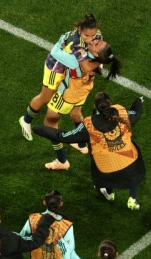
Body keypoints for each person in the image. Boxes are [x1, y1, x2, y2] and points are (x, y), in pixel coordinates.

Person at [33, 92, 145, 210]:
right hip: (130, 161)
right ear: (110, 104)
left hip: (105, 166)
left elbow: (63, 136)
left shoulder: (89, 125)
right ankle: (132, 199)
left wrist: (40, 129)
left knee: (104, 175)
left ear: (95, 106)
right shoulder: (122, 114)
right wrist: (138, 102)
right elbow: (136, 113)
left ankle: (109, 194)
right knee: (134, 175)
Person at [19, 13, 103, 142]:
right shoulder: (74, 42)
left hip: (69, 66)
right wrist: (103, 61)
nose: (90, 39)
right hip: (56, 67)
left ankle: (76, 139)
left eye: (93, 35)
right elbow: (85, 66)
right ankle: (26, 120)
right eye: (87, 35)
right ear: (80, 30)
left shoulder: (97, 36)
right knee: (46, 96)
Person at [42, 39, 121, 170]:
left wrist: (63, 40)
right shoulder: (97, 62)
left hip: (67, 95)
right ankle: (82, 145)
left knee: (50, 124)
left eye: (96, 44)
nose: (93, 41)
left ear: (96, 55)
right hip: (83, 90)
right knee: (75, 113)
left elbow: (56, 53)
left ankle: (62, 161)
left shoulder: (80, 61)